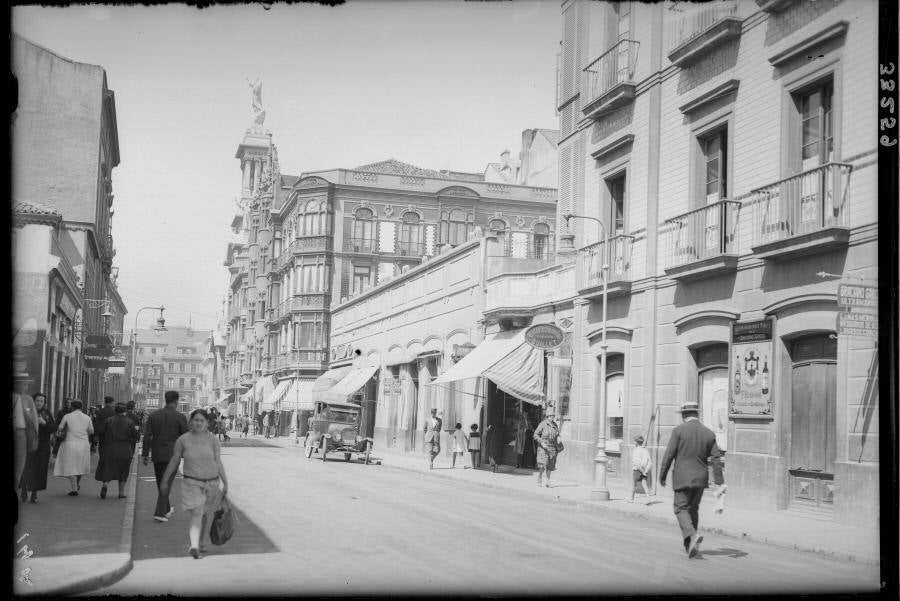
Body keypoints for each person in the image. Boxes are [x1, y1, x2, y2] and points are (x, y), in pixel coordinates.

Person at [160, 409, 229, 559]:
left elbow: (218, 461)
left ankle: (202, 540)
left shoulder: (213, 440)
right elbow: (174, 460)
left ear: (207, 423)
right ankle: (195, 545)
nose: (198, 423)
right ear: (191, 422)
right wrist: (165, 480)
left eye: (201, 420)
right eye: (196, 420)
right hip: (192, 483)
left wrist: (225, 481)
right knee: (197, 513)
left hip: (212, 483)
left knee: (206, 514)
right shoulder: (183, 440)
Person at [659, 401, 724, 559]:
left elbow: (669, 455)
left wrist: (662, 475)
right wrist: (719, 482)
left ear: (683, 415)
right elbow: (716, 458)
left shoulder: (679, 431)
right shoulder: (708, 433)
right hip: (701, 479)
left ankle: (692, 536)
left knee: (680, 508)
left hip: (682, 478)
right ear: (697, 414)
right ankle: (690, 546)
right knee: (693, 510)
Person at [143, 391, 189, 522]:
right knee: (166, 483)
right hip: (173, 455)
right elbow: (185, 437)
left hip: (157, 453)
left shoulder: (154, 416)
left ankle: (166, 508)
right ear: (176, 401)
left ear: (165, 400)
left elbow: (147, 436)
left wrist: (145, 454)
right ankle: (160, 512)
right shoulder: (180, 417)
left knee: (161, 482)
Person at [95, 403, 140, 499]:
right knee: (123, 470)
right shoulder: (130, 422)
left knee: (108, 467)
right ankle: (121, 493)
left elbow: (101, 432)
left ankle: (105, 484)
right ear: (124, 411)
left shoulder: (108, 420)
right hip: (124, 449)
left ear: (115, 410)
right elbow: (136, 436)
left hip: (110, 448)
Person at [53, 400, 94, 495]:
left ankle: (74, 490)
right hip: (83, 444)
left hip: (70, 443)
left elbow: (60, 429)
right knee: (80, 465)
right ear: (82, 407)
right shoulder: (87, 417)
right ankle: (76, 485)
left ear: (72, 407)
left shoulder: (67, 416)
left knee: (70, 466)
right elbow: (91, 431)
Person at [20, 393, 55, 503]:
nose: (39, 403)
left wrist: (44, 423)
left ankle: (34, 493)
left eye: (41, 401)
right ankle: (24, 490)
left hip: (42, 447)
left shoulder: (47, 414)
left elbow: (53, 428)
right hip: (28, 446)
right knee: (27, 468)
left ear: (44, 403)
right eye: (37, 400)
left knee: (39, 470)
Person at [12, 383, 39, 492]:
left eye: (25, 384)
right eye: (22, 383)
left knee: (20, 464)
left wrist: (34, 436)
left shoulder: (27, 399)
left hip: (21, 433)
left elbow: (33, 419)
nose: (24, 386)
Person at [533, 410, 562, 488]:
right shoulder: (543, 424)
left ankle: (548, 481)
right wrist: (541, 442)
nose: (552, 417)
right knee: (542, 465)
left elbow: (557, 434)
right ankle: (539, 478)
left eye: (553, 416)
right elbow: (535, 434)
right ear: (547, 416)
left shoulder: (555, 425)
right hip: (543, 447)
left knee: (550, 465)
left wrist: (559, 438)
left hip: (552, 447)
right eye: (550, 416)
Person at [629, 435, 653, 504]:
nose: (634, 443)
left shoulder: (636, 451)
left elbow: (636, 463)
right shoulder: (645, 450)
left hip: (637, 470)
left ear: (636, 442)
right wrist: (646, 471)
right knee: (644, 484)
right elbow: (649, 461)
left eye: (634, 441)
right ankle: (648, 499)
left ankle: (631, 499)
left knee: (634, 485)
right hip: (645, 469)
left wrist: (642, 471)